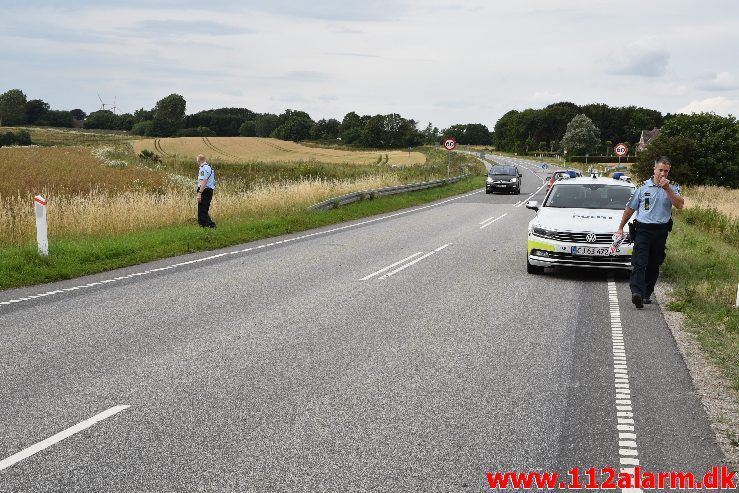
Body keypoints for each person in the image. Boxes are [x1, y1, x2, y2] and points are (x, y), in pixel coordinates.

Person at [615, 156, 684, 309]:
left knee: (654, 263)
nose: (663, 174)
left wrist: (667, 189)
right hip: (643, 229)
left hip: (661, 230)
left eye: (666, 171)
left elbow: (679, 205)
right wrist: (621, 227)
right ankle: (637, 293)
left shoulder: (674, 187)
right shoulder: (642, 187)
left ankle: (646, 293)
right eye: (660, 170)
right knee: (640, 261)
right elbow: (630, 208)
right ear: (654, 169)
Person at [195, 154, 216, 228]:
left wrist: (200, 193)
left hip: (204, 190)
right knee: (204, 209)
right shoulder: (209, 167)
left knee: (202, 210)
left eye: (197, 160)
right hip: (209, 190)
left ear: (199, 160)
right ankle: (203, 226)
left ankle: (211, 225)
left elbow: (204, 181)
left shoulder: (203, 168)